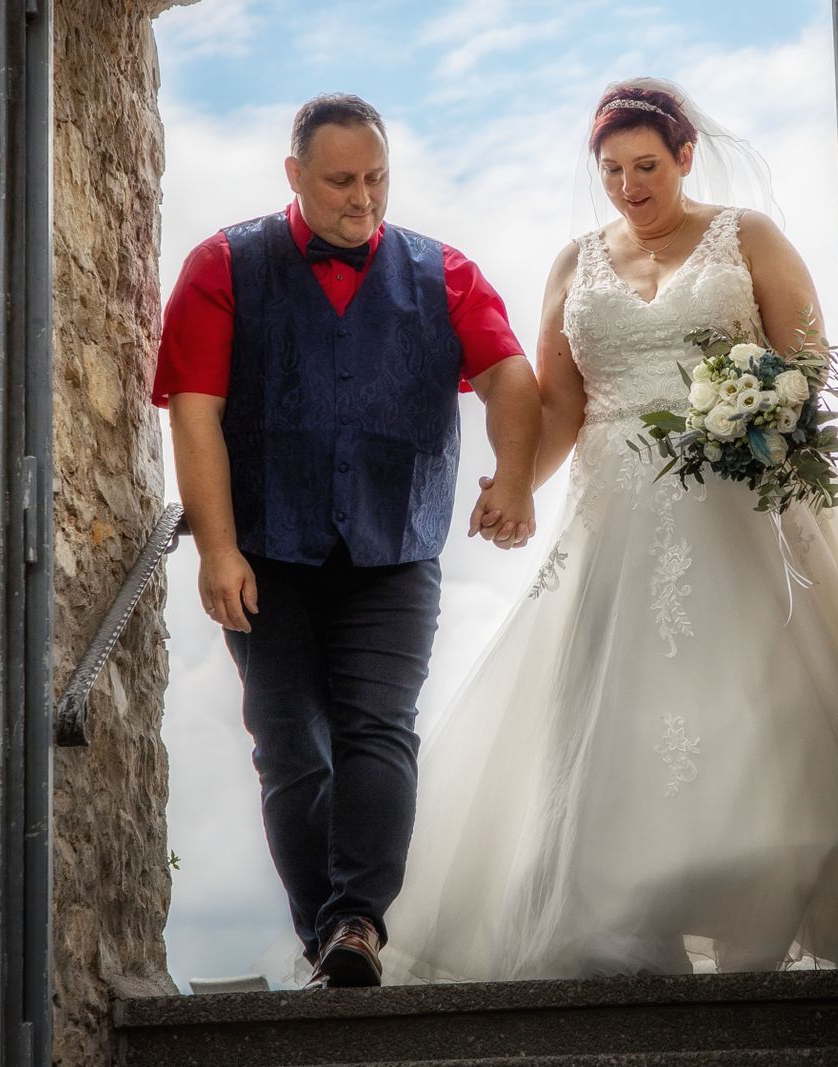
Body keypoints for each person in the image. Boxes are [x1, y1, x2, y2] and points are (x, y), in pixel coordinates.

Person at [381, 78, 838, 981]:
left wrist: (756, 408)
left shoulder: (748, 238)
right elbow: (565, 403)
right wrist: (517, 483)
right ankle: (627, 925)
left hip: (737, 502)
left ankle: (759, 916)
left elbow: (810, 365)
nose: (629, 187)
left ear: (685, 156)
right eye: (611, 171)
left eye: (646, 167)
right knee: (616, 712)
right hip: (615, 509)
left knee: (748, 708)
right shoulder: (576, 263)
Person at [153, 93, 541, 989]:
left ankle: (357, 924)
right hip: (266, 553)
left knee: (378, 729)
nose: (362, 198)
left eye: (376, 178)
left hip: (393, 548)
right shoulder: (222, 264)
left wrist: (514, 477)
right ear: (294, 175)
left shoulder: (443, 272)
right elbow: (195, 415)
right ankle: (325, 932)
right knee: (289, 743)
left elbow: (511, 378)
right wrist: (218, 547)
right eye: (340, 181)